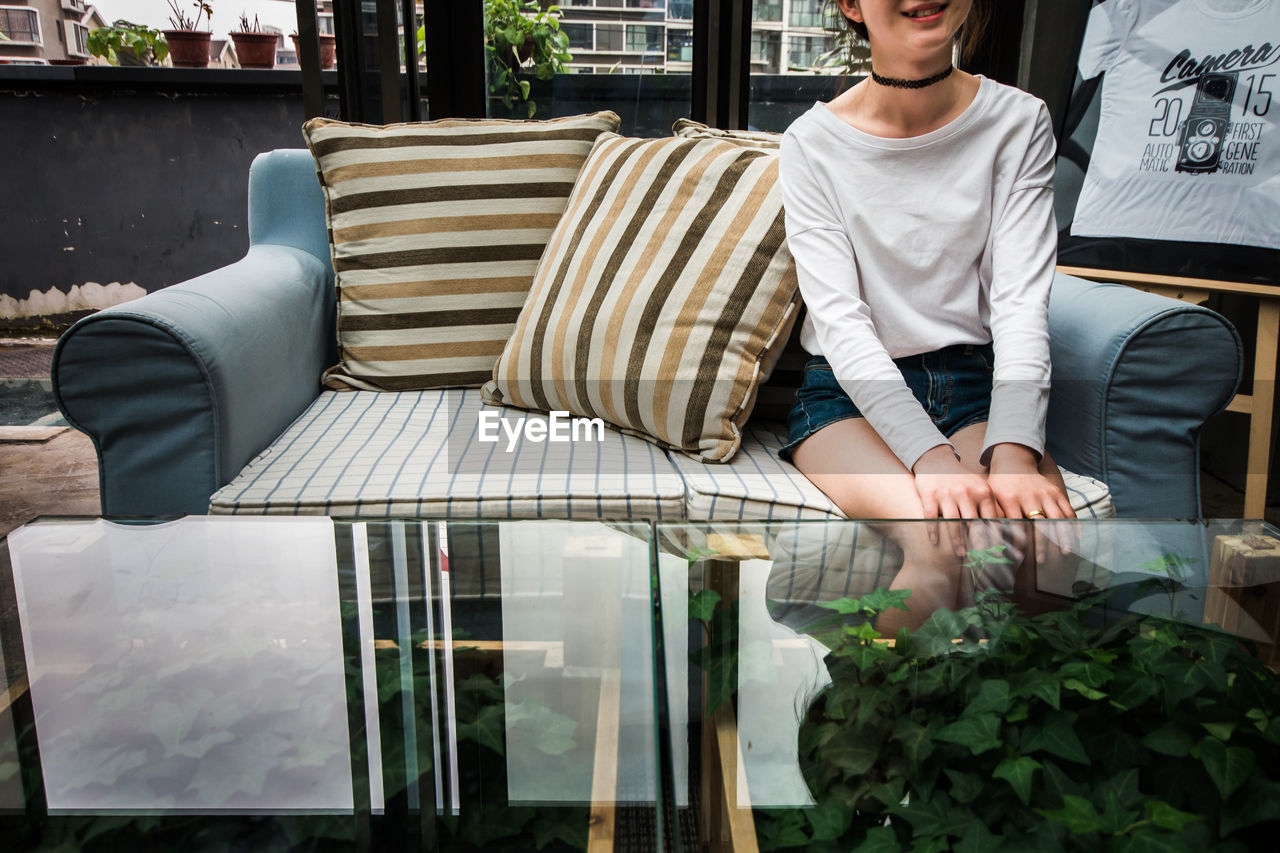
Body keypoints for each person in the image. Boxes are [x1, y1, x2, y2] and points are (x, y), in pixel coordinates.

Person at [778, 0, 1075, 626]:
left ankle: (995, 720)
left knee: (1043, 553)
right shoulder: (812, 142)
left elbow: (1021, 300)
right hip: (848, 398)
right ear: (851, 5)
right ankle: (853, 722)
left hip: (973, 386)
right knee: (942, 548)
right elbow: (842, 325)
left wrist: (1016, 448)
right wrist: (929, 458)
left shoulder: (1019, 121)